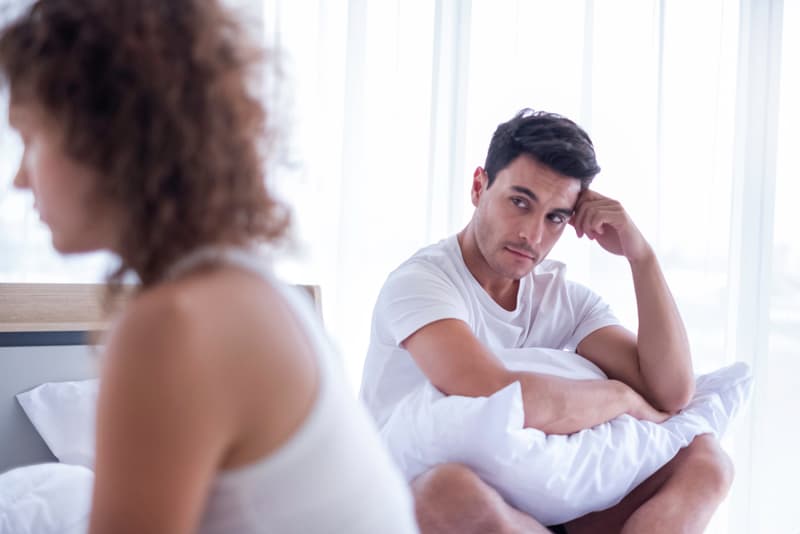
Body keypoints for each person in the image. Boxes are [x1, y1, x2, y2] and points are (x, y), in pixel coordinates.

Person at [0, 1, 419, 533]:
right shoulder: (254, 294)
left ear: (107, 137)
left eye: (32, 139)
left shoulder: (178, 325)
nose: (18, 178)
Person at [360, 109, 734, 534]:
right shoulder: (422, 283)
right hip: (406, 505)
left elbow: (672, 391)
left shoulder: (562, 298)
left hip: (524, 510)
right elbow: (495, 394)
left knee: (706, 460)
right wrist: (619, 398)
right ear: (479, 186)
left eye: (555, 216)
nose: (533, 235)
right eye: (520, 203)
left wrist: (640, 256)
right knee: (450, 490)